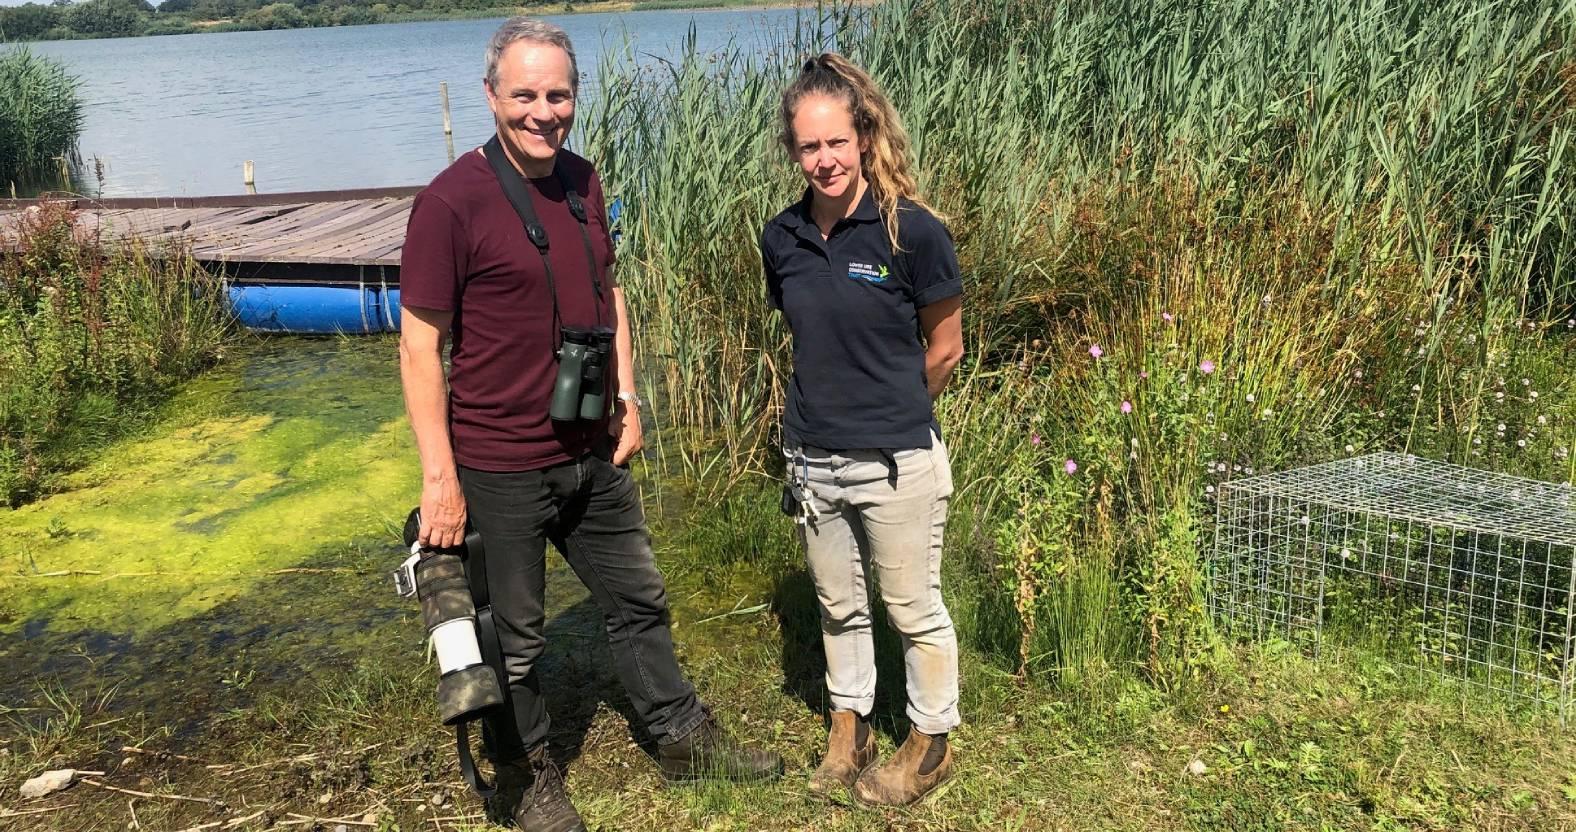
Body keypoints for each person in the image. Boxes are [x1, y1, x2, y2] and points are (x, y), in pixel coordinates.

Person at [398, 18, 781, 832]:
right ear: (491, 96)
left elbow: (611, 297)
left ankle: (680, 738)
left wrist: (630, 400)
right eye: (526, 94)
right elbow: (420, 348)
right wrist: (441, 481)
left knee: (639, 600)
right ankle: (526, 776)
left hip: (592, 445)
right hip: (500, 462)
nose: (545, 111)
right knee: (515, 639)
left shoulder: (583, 180)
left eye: (559, 94)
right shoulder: (449, 203)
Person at [760, 53, 966, 806]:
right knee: (839, 605)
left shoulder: (912, 232)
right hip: (813, 457)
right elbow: (810, 334)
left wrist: (891, 409)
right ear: (794, 152)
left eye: (836, 143)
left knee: (913, 607)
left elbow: (946, 348)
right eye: (809, 147)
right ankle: (850, 726)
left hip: (896, 459)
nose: (824, 160)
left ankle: (931, 743)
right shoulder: (780, 238)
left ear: (864, 137)